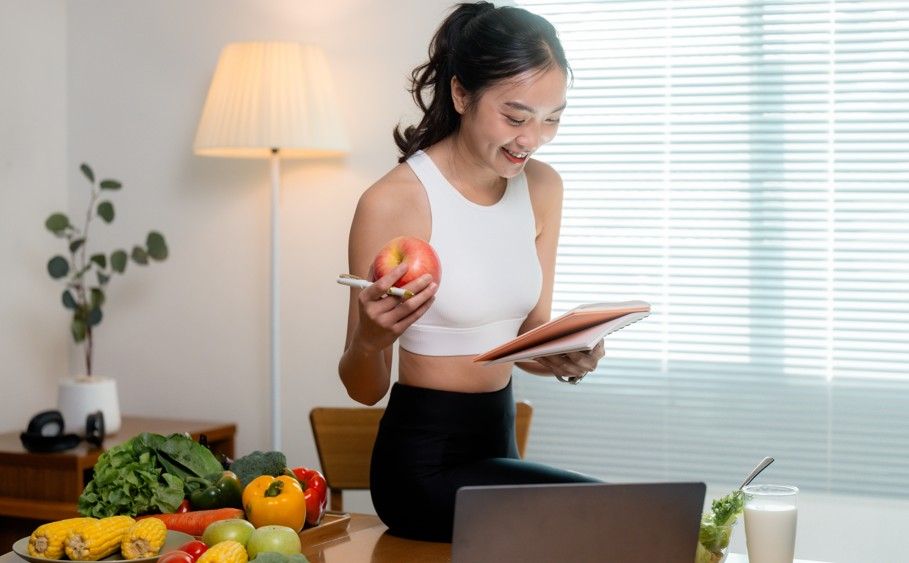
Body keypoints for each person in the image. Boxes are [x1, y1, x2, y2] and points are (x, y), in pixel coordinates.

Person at [338, 1, 606, 542]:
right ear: (461, 94)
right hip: (421, 466)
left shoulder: (544, 189)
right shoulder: (393, 202)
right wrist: (370, 339)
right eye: (515, 116)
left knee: (614, 522)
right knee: (607, 516)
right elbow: (363, 388)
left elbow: (526, 337)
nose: (531, 139)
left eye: (551, 118)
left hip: (498, 450)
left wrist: (563, 356)